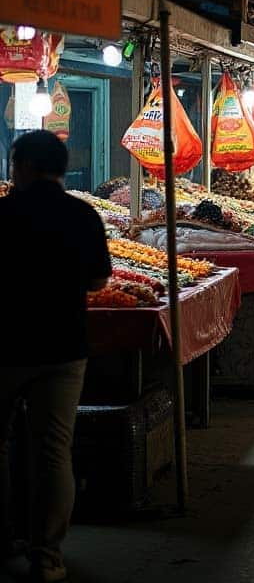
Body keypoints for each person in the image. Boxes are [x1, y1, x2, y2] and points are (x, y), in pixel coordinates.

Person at [0, 130, 112, 582]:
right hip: (64, 349)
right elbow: (98, 282)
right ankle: (47, 557)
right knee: (53, 450)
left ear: (23, 166)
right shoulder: (82, 215)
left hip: (5, 346)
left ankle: (4, 540)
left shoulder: (2, 213)